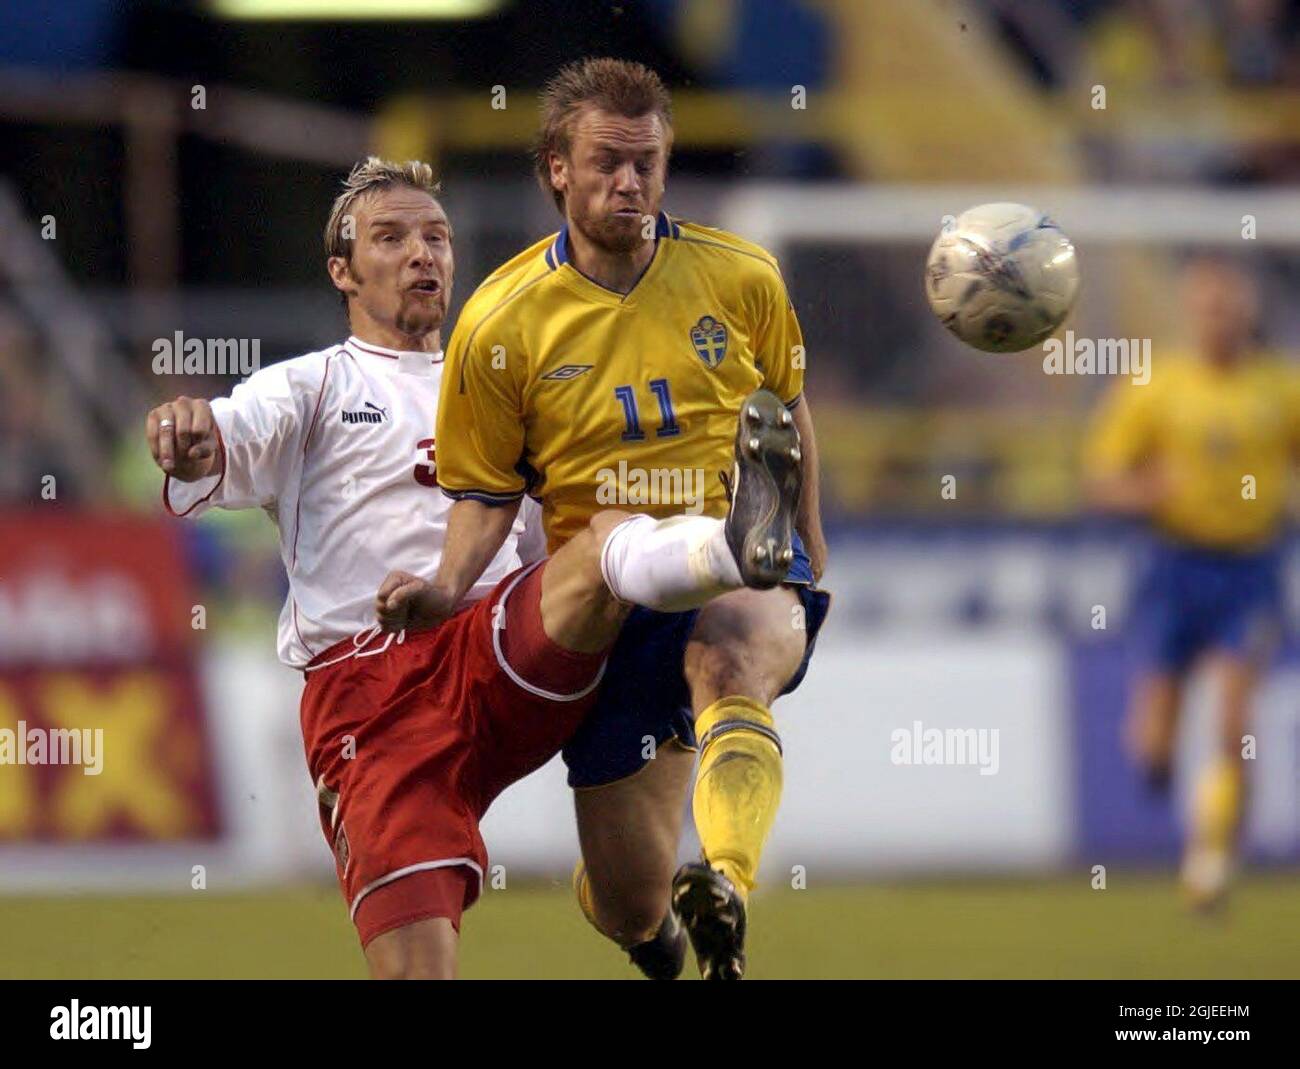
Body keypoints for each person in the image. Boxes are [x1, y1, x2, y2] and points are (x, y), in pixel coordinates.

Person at [149, 155, 804, 978]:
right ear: (342, 271)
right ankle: (657, 939)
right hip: (375, 704)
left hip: (498, 650)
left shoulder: (506, 372)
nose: (423, 253)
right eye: (391, 237)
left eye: (436, 235)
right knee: (445, 962)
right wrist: (186, 432)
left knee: (598, 544)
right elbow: (222, 434)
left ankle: (731, 545)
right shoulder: (312, 385)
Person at [424, 58, 831, 979]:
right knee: (627, 900)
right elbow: (486, 497)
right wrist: (448, 587)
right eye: (607, 162)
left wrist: (815, 548)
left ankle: (726, 876)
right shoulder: (500, 325)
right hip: (607, 606)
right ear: (556, 169)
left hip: (740, 560)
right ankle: (668, 935)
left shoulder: (741, 277)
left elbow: (788, 406)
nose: (631, 183)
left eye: (648, 162)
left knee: (734, 660)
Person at [1085, 255, 1299, 910]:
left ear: (1248, 313)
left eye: (1231, 306)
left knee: (1235, 719)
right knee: (1153, 742)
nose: (1221, 318)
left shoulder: (1279, 388)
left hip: (1249, 568)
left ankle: (1210, 863)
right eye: (1208, 306)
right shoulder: (1155, 386)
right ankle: (1164, 768)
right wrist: (1147, 488)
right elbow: (1101, 478)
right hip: (1172, 566)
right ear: (1190, 314)